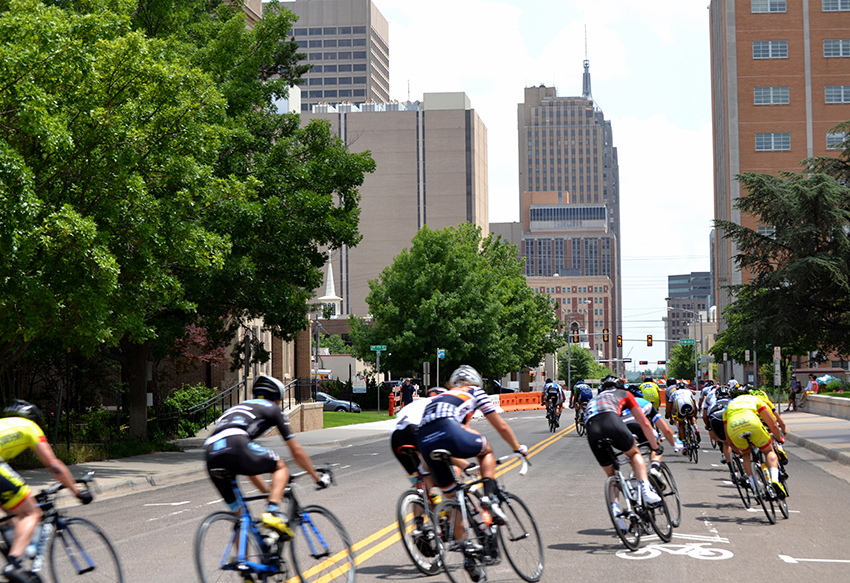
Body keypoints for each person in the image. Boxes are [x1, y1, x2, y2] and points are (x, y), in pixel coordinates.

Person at [205, 375, 331, 540]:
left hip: (211, 452)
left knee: (241, 520)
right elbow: (296, 450)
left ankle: (243, 555)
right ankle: (272, 513)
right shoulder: (272, 408)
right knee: (281, 466)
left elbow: (250, 468)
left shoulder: (240, 407)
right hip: (236, 442)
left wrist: (269, 492)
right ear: (276, 398)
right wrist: (316, 477)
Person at [0, 400, 91, 583]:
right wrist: (77, 491)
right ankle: (14, 564)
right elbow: (53, 465)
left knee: (14, 511)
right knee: (32, 512)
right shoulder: (30, 427)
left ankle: (13, 547)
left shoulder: (5, 424)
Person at [584, 376, 663, 531]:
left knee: (612, 474)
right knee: (634, 454)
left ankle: (615, 510)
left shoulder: (594, 399)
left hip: (592, 430)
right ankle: (646, 490)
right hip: (610, 421)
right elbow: (644, 423)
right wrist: (655, 446)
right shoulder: (624, 394)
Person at [722, 391, 786, 498]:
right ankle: (774, 479)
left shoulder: (728, 407)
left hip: (734, 428)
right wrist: (779, 438)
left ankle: (755, 487)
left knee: (746, 455)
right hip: (752, 423)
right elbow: (773, 425)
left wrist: (739, 452)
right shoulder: (755, 399)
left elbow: (729, 440)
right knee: (769, 451)